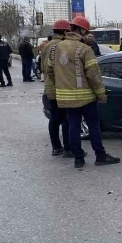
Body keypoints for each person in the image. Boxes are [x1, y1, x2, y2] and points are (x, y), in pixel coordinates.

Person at [47, 16, 120, 169]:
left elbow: (49, 70)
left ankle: (78, 159)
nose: (87, 35)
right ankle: (100, 156)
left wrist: (61, 84)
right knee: (93, 126)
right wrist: (101, 94)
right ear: (81, 30)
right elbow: (94, 75)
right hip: (86, 97)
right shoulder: (84, 49)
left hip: (65, 97)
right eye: (86, 32)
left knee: (73, 126)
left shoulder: (56, 48)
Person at [42, 20, 73, 157]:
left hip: (49, 87)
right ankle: (68, 149)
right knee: (66, 119)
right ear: (65, 31)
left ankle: (56, 147)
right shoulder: (62, 45)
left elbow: (43, 67)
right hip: (61, 86)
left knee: (54, 118)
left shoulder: (47, 46)